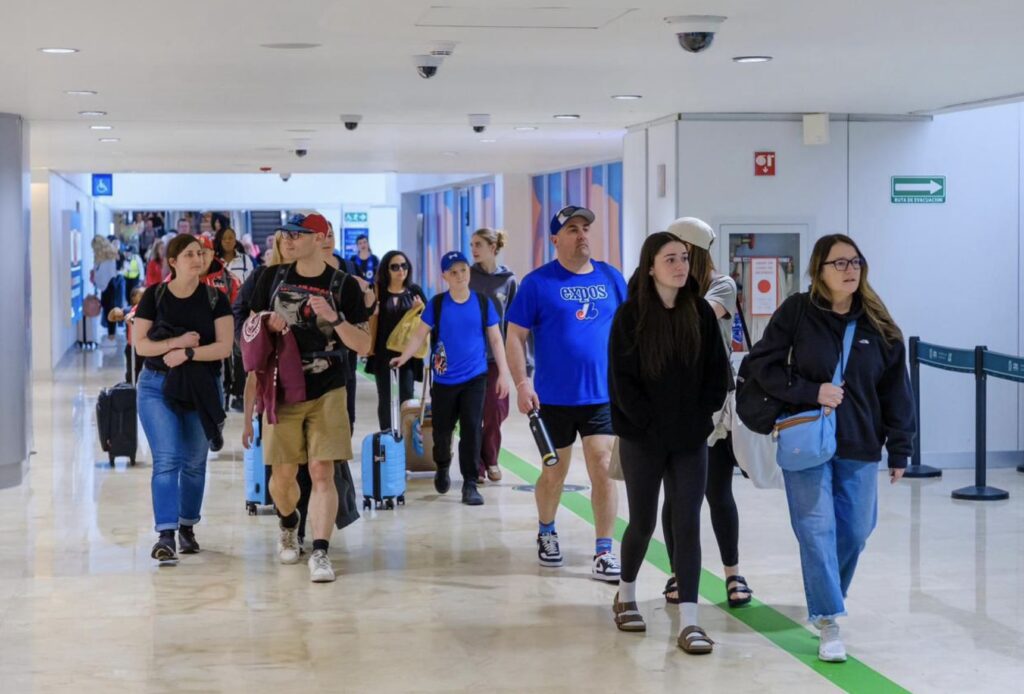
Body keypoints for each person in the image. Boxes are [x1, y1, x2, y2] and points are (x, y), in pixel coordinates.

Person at [744, 233, 915, 662]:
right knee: (816, 530)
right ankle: (829, 619)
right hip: (806, 439)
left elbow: (897, 389)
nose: (850, 269)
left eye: (855, 261)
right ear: (818, 270)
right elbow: (761, 365)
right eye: (839, 263)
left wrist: (900, 448)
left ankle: (825, 594)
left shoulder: (879, 323)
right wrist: (810, 390)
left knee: (856, 530)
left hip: (860, 440)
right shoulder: (798, 312)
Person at [609, 231, 729, 653]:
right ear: (651, 267)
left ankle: (690, 620)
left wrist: (700, 418)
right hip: (642, 438)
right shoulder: (630, 316)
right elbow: (621, 383)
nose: (680, 266)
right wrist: (647, 425)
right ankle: (625, 594)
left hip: (690, 438)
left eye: (683, 259)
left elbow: (719, 375)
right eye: (670, 259)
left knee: (687, 523)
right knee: (642, 522)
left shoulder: (698, 311)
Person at [505, 205, 626, 582]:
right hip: (553, 398)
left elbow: (630, 330)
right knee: (553, 473)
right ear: (556, 239)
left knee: (603, 468)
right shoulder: (538, 283)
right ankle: (546, 530)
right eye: (572, 229)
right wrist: (523, 384)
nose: (582, 234)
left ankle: (604, 549)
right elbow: (515, 336)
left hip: (602, 396)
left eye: (586, 227)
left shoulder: (610, 277)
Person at [247, 213, 371, 583]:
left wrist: (334, 319)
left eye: (298, 234)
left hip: (329, 386)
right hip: (281, 387)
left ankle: (320, 550)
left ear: (320, 238)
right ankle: (289, 522)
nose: (288, 239)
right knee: (283, 475)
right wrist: (264, 323)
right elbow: (248, 332)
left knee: (322, 471)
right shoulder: (270, 278)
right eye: (287, 234)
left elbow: (364, 345)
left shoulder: (344, 286)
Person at [657, 218, 753, 609]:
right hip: (671, 406)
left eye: (680, 253)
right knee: (676, 498)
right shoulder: (664, 288)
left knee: (718, 492)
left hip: (713, 410)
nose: (675, 262)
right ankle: (678, 573)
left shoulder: (721, 285)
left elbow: (695, 319)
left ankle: (732, 573)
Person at [132, 234, 234, 564]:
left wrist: (188, 353)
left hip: (201, 388)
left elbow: (223, 347)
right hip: (156, 387)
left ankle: (187, 526)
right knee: (167, 459)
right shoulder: (154, 296)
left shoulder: (216, 299)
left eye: (201, 253)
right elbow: (142, 345)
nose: (197, 258)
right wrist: (175, 345)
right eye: (189, 254)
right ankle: (165, 534)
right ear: (173, 262)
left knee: (193, 462)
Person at [390, 251, 512, 506]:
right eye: (453, 272)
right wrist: (404, 357)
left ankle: (469, 483)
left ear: (469, 272)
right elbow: (419, 335)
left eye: (463, 270)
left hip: (475, 378)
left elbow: (496, 339)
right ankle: (443, 465)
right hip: (444, 381)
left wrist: (503, 373)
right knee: (442, 432)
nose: (459, 276)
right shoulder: (436, 304)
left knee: (471, 430)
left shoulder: (481, 303)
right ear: (444, 276)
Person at [469, 228, 519, 484]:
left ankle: (490, 457)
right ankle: (479, 466)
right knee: (473, 413)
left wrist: (520, 365)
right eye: (471, 244)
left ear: (493, 247)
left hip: (497, 359)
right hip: (471, 358)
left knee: (496, 412)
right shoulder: (467, 277)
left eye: (478, 244)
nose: (473, 249)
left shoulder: (508, 281)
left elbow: (514, 325)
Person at [367, 250, 426, 431]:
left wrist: (419, 309)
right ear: (386, 270)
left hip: (407, 353)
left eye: (404, 266)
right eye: (395, 267)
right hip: (382, 352)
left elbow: (427, 321)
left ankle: (406, 437)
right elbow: (364, 316)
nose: (401, 270)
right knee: (385, 398)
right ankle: (387, 437)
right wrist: (372, 311)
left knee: (406, 397)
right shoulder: (377, 292)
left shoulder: (414, 291)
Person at [92, 235, 122, 339]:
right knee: (107, 306)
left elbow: (108, 272)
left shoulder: (109, 255)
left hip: (110, 284)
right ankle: (111, 333)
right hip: (108, 285)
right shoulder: (103, 256)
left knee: (110, 307)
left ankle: (112, 333)